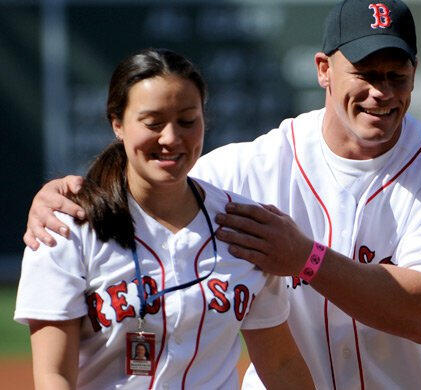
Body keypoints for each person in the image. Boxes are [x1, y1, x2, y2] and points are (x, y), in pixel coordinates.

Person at [23, 1, 421, 389]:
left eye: (397, 75)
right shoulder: (249, 169)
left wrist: (305, 259)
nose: (381, 92)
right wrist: (63, 196)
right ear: (324, 70)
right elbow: (157, 180)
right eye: (366, 73)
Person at [15, 48, 313, 390]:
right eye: (153, 123)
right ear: (117, 123)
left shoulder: (243, 227)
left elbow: (281, 363)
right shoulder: (69, 227)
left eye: (187, 121)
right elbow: (53, 376)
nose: (171, 138)